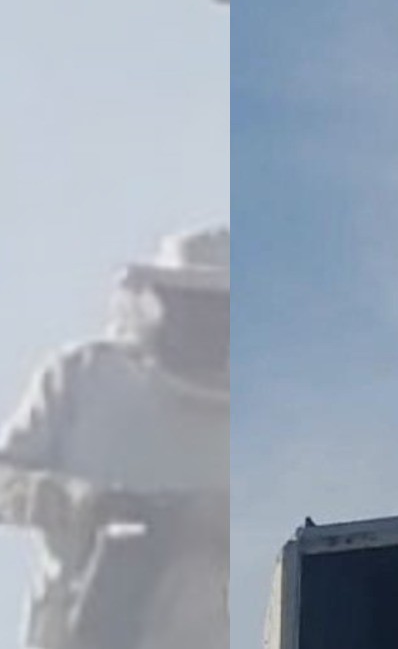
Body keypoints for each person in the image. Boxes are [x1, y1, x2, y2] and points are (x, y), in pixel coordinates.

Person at [0, 226, 230, 649]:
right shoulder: (82, 377)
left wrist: (211, 518)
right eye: (194, 304)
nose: (207, 324)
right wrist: (64, 497)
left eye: (220, 311)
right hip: (81, 626)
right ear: (162, 300)